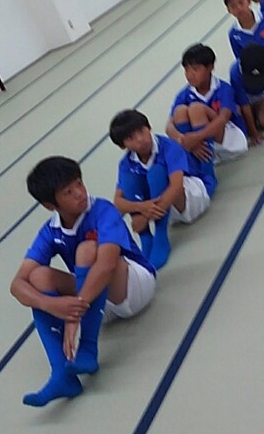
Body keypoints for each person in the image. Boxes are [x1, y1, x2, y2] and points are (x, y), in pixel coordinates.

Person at [10, 156, 156, 407]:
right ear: (50, 205)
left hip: (133, 287)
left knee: (88, 250)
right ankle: (61, 374)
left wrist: (73, 314)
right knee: (37, 277)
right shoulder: (50, 230)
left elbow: (107, 264)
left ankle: (88, 348)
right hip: (96, 302)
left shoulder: (103, 210)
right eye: (68, 192)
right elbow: (17, 285)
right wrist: (52, 305)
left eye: (79, 183)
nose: (80, 193)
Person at [110, 109, 216, 270]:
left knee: (157, 173)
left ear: (149, 127)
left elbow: (176, 187)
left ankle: (161, 234)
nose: (140, 139)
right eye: (131, 138)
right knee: (130, 180)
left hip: (187, 198)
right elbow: (118, 203)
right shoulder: (126, 163)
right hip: (159, 207)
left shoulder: (169, 147)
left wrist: (145, 217)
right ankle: (146, 238)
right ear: (122, 145)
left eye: (141, 131)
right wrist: (140, 208)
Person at [166, 43, 248, 163]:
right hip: (199, 147)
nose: (190, 75)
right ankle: (197, 160)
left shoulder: (223, 88)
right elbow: (169, 127)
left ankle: (206, 168)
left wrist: (196, 137)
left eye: (195, 69)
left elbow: (223, 119)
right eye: (186, 70)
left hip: (229, 141)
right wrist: (186, 141)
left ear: (210, 67)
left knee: (196, 109)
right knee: (180, 111)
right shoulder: (184, 94)